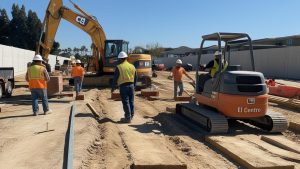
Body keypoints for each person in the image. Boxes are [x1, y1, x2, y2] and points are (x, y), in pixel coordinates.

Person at [111, 51, 137, 123]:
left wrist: (113, 88)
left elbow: (115, 78)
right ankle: (131, 115)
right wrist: (134, 86)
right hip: (131, 86)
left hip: (123, 87)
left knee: (125, 102)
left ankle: (127, 117)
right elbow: (135, 77)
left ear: (120, 59)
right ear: (126, 58)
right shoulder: (132, 66)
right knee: (131, 101)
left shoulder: (119, 67)